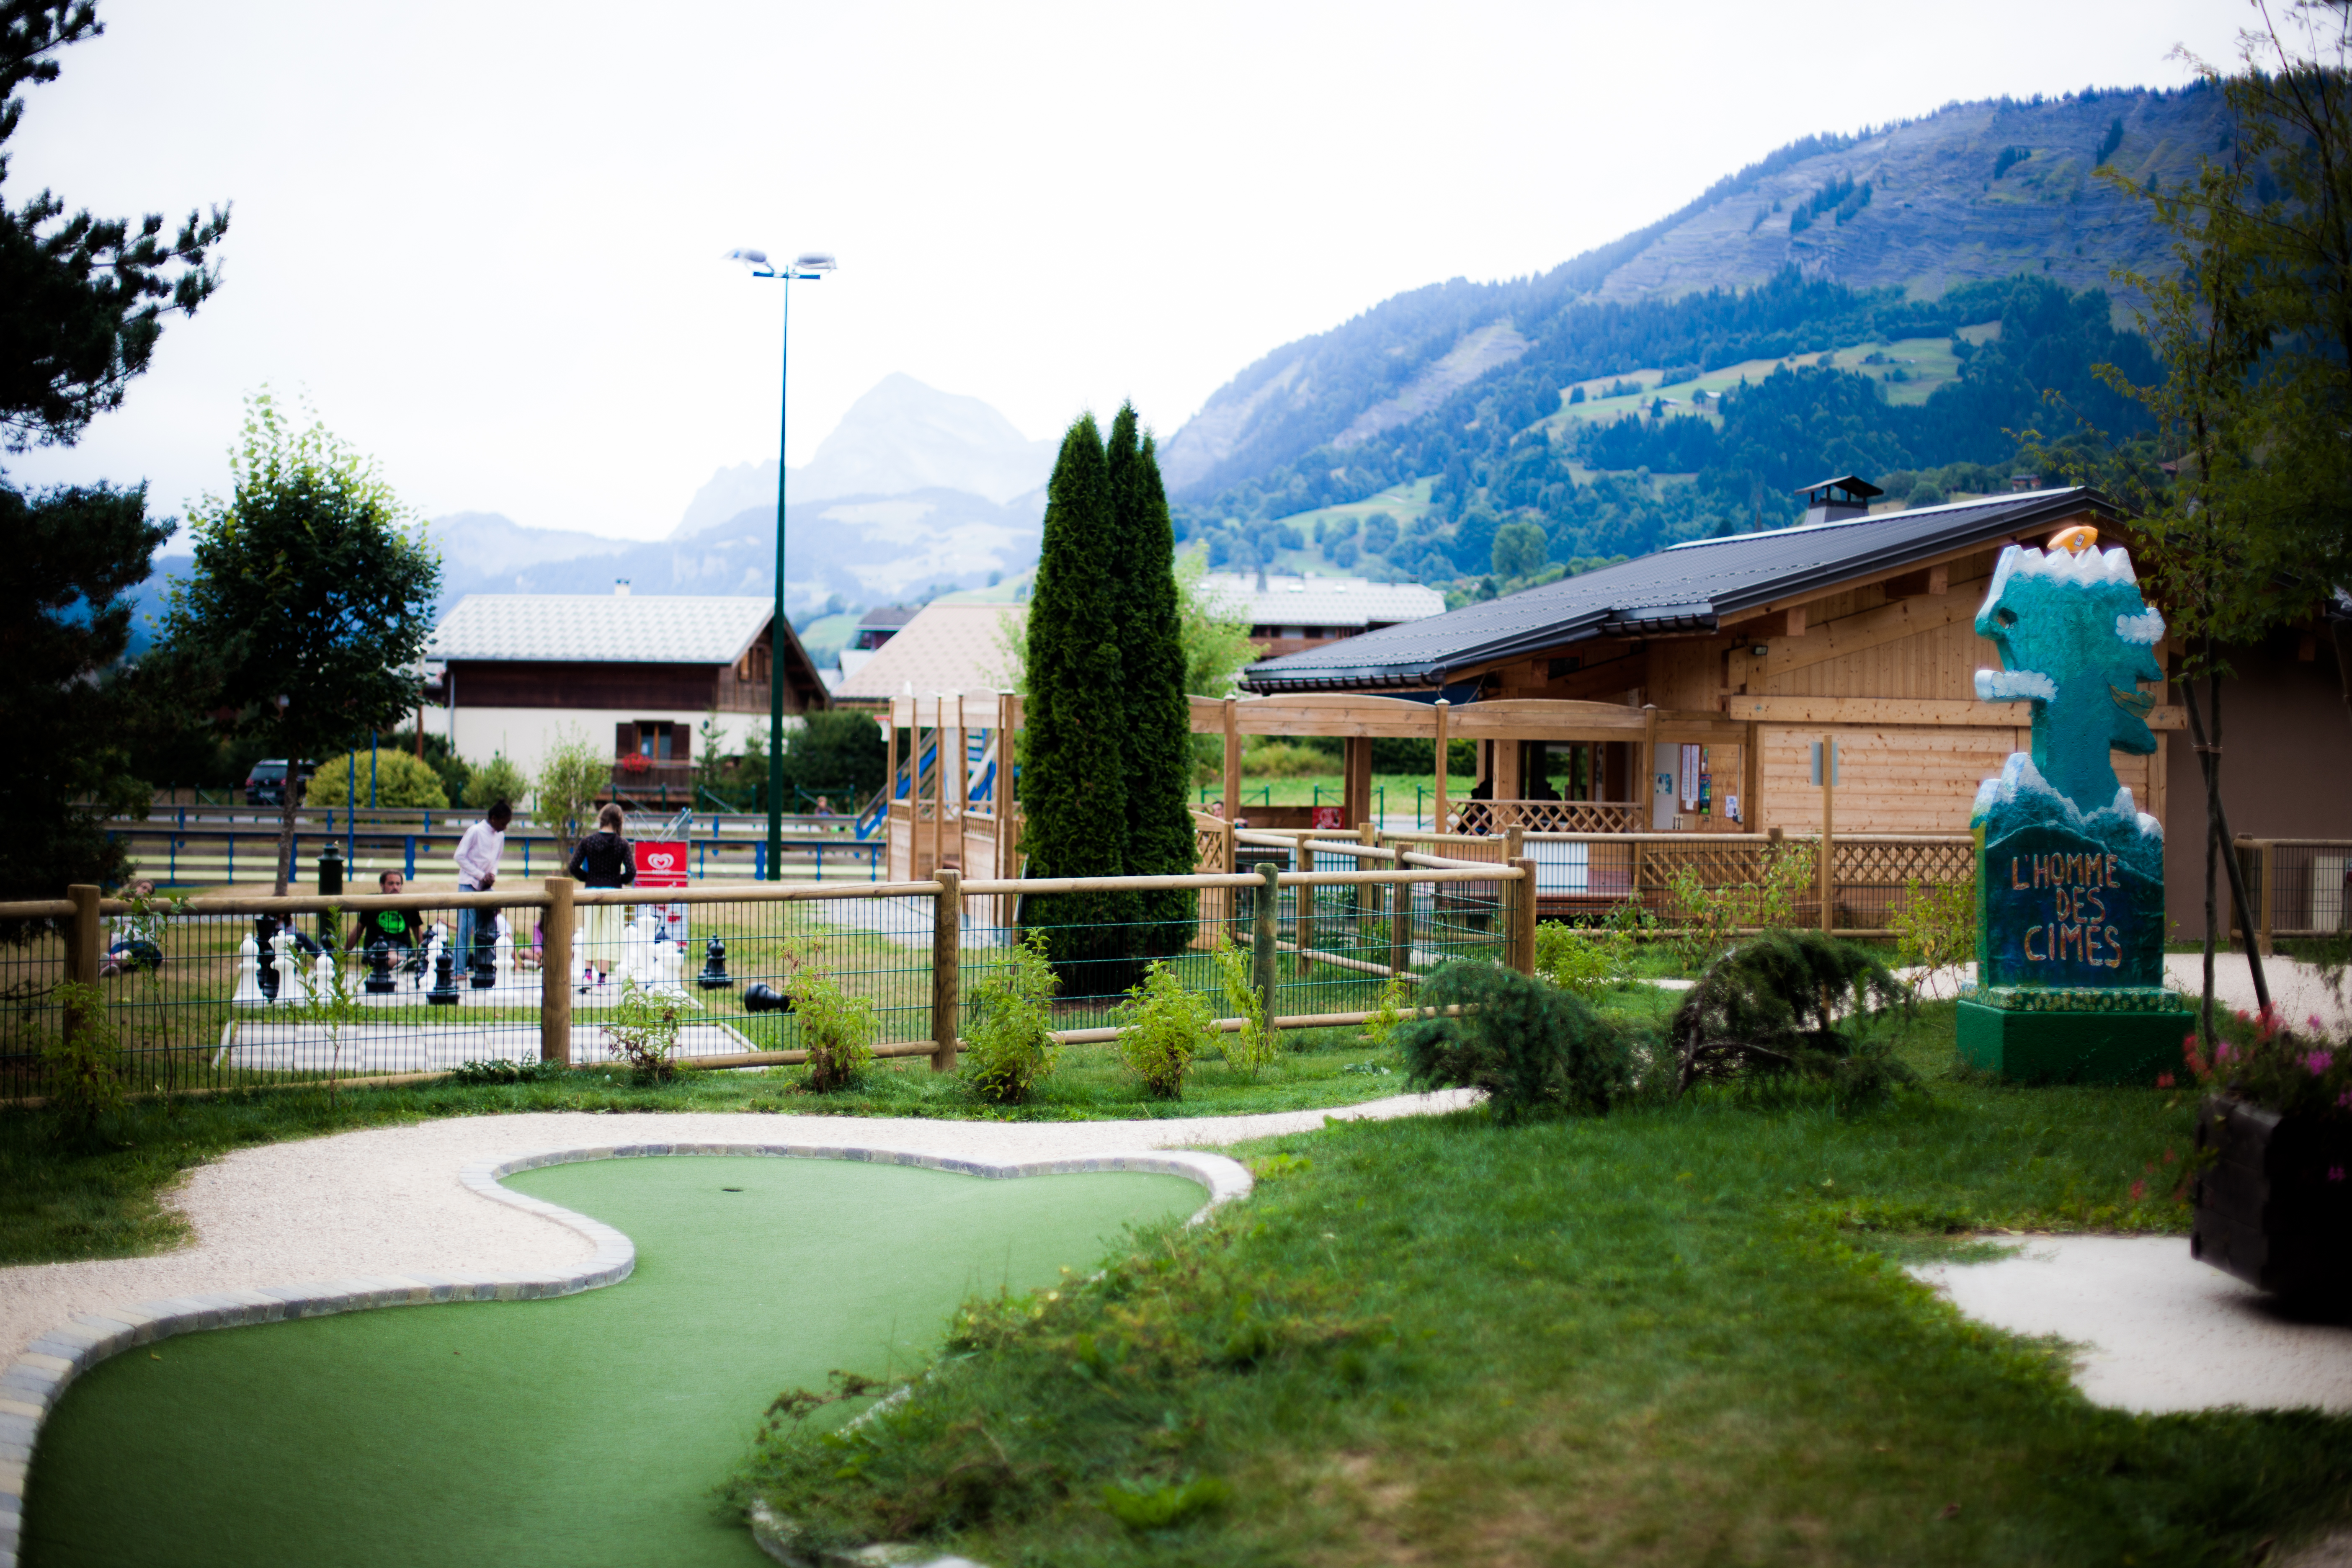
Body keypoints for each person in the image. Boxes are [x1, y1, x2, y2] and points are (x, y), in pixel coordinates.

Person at [566, 803, 634, 987]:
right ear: (619, 821)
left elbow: (573, 867)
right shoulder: (623, 844)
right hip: (614, 892)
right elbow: (631, 872)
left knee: (591, 931)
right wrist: (618, 880)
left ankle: (588, 974)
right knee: (610, 934)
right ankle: (602, 979)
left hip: (592, 891)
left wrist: (588, 878)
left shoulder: (588, 842)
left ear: (602, 819)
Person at [453, 800, 512, 973]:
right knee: (466, 928)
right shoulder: (476, 831)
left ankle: (482, 967)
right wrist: (480, 875)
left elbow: (496, 859)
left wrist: (492, 874)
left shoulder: (500, 836)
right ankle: (458, 969)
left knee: (486, 928)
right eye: (503, 823)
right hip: (469, 883)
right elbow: (459, 856)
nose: (505, 827)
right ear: (494, 818)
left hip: (485, 886)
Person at [350, 869, 425, 977]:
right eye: (391, 884)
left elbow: (418, 933)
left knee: (395, 954)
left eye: (398, 884)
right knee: (383, 954)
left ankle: (402, 963)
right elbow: (358, 931)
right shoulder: (371, 902)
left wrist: (427, 952)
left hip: (402, 948)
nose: (395, 887)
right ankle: (405, 963)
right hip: (376, 947)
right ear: (382, 885)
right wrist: (343, 953)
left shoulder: (409, 904)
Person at [100, 879, 165, 977]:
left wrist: (159, 952)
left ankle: (112, 961)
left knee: (149, 955)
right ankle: (114, 963)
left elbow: (152, 933)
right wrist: (108, 951)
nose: (146, 892)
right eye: (144, 887)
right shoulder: (117, 905)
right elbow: (112, 932)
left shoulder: (149, 909)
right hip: (122, 942)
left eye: (149, 891)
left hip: (144, 944)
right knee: (130, 952)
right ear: (133, 887)